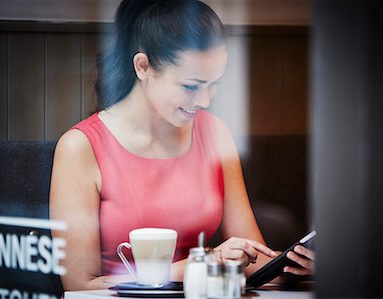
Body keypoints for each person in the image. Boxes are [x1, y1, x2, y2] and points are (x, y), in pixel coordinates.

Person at [49, 0, 314, 291]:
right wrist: (197, 265)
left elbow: (253, 258)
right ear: (143, 66)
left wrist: (295, 266)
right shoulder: (80, 147)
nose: (205, 101)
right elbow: (78, 284)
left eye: (215, 84)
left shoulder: (215, 134)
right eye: (191, 86)